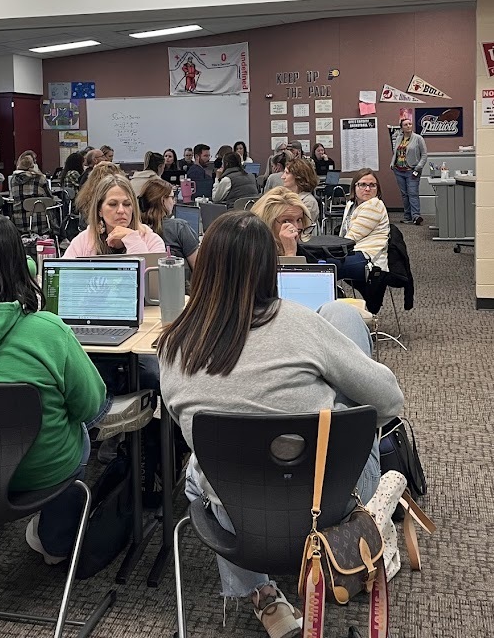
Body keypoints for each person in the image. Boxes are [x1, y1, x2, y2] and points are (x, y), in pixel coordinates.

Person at [158, 212, 403, 638]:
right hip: (331, 501)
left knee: (200, 471)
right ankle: (350, 545)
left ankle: (264, 597)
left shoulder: (173, 344)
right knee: (344, 348)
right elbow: (390, 403)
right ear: (269, 268)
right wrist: (333, 407)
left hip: (237, 517)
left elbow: (185, 426)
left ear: (205, 267)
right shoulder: (298, 322)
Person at [0, 213, 150, 564]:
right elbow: (91, 408)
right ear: (22, 266)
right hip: (39, 472)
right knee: (78, 431)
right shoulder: (47, 330)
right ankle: (57, 542)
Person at [65, 174, 165, 257]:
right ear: (99, 210)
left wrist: (133, 240)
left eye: (127, 204)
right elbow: (63, 275)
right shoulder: (84, 241)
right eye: (113, 204)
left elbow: (151, 279)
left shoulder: (152, 241)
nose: (121, 210)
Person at [338, 168, 390, 287]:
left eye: (372, 185)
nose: (367, 189)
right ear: (354, 187)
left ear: (377, 189)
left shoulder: (374, 205)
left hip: (370, 259)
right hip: (355, 252)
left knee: (326, 266)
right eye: (362, 185)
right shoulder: (351, 205)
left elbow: (351, 238)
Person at [139, 177, 199, 272]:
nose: (174, 201)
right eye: (172, 197)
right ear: (163, 201)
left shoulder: (136, 229)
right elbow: (199, 268)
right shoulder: (179, 227)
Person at [251, 186, 315, 258]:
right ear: (267, 223)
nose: (296, 228)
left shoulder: (306, 256)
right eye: (286, 221)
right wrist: (290, 253)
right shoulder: (253, 254)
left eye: (299, 220)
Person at [390, 117, 427, 225]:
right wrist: (392, 163)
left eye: (410, 124)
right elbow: (395, 152)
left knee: (413, 193)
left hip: (412, 170)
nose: (408, 126)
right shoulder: (398, 138)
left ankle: (416, 216)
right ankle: (407, 216)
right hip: (398, 170)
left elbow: (424, 155)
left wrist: (418, 167)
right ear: (401, 127)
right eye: (406, 124)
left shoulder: (418, 138)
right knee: (404, 194)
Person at [10, 153, 53, 233]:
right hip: (41, 223)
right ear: (33, 165)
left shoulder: (13, 180)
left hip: (20, 223)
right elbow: (50, 198)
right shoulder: (40, 179)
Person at [280, 157, 320, 230]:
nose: (282, 177)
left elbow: (301, 229)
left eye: (287, 173)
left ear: (298, 177)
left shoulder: (309, 202)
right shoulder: (285, 196)